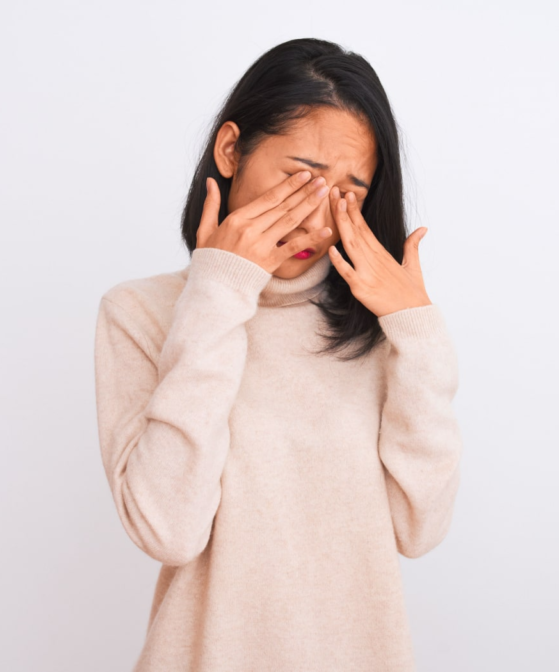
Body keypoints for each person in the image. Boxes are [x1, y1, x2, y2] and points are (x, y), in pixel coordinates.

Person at [93, 37, 464, 672]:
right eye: (301, 177)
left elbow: (419, 528)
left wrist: (418, 330)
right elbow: (169, 530)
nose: (318, 218)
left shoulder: (381, 330)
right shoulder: (142, 314)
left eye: (349, 191)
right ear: (231, 149)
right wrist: (216, 294)